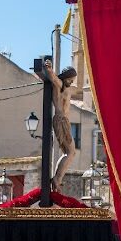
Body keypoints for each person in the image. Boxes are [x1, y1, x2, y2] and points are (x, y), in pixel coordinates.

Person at [44, 60, 77, 191]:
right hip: (60, 119)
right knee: (71, 152)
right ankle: (57, 179)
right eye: (71, 79)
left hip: (64, 121)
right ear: (66, 77)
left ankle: (57, 178)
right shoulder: (60, 85)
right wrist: (49, 69)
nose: (72, 82)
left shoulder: (66, 87)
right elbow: (53, 78)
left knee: (68, 152)